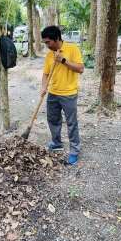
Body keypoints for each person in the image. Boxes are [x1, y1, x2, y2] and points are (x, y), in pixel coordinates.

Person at [41, 26, 84, 165]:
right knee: (52, 119)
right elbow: (46, 73)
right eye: (45, 43)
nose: (47, 45)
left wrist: (63, 60)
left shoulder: (72, 49)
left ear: (57, 38)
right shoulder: (49, 55)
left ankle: (74, 150)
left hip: (69, 94)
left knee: (71, 123)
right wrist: (43, 87)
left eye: (48, 42)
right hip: (53, 93)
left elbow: (80, 69)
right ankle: (57, 143)